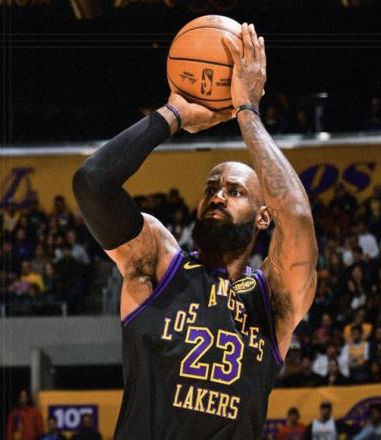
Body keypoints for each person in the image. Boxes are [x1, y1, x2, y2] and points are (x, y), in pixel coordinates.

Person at [72, 22, 317, 439]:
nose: (218, 196)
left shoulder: (274, 300)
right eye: (211, 189)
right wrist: (174, 114)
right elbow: (92, 184)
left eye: (235, 191)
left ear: (263, 217)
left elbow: (294, 212)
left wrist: (247, 111)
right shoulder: (159, 264)